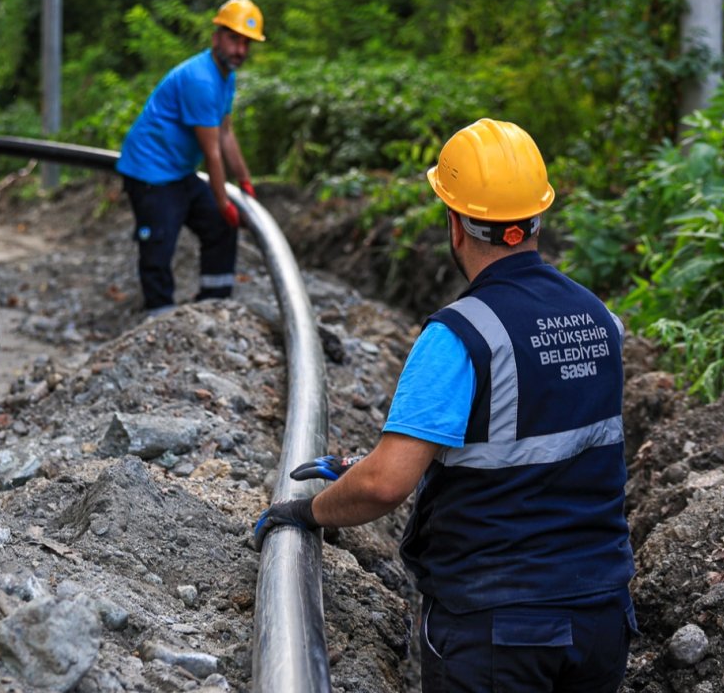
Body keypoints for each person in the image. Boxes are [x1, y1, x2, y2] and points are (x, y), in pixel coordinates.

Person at [254, 119, 638, 692]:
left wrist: (305, 514)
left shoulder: (461, 334)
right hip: (601, 617)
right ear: (535, 218)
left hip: (497, 625)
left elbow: (386, 486)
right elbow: (537, 440)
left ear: (455, 223)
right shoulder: (598, 319)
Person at [115, 0, 264, 315]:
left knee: (220, 228)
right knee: (159, 244)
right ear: (216, 37)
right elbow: (211, 152)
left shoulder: (227, 76)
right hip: (151, 172)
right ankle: (159, 318)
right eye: (234, 39)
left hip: (179, 170)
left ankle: (214, 303)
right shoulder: (201, 80)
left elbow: (226, 134)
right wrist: (224, 203)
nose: (240, 49)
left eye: (246, 43)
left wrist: (246, 183)